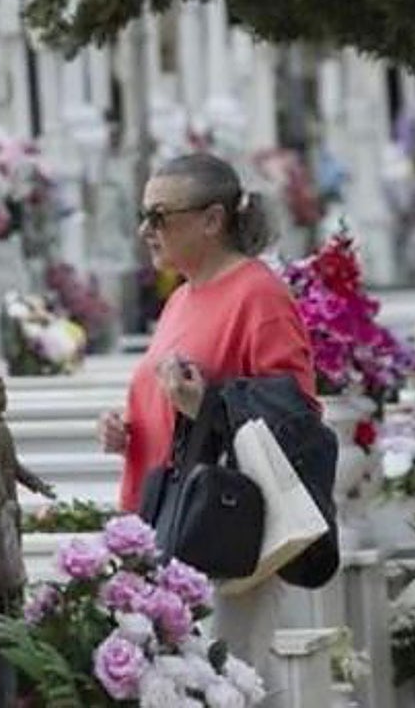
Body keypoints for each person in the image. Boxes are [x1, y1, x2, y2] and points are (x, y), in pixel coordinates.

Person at [96, 152, 318, 683]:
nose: (145, 230)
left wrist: (206, 405)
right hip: (166, 521)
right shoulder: (182, 298)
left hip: (223, 531)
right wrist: (128, 429)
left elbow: (298, 416)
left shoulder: (258, 294)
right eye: (144, 215)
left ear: (212, 220)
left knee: (226, 682)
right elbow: (173, 406)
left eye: (159, 216)